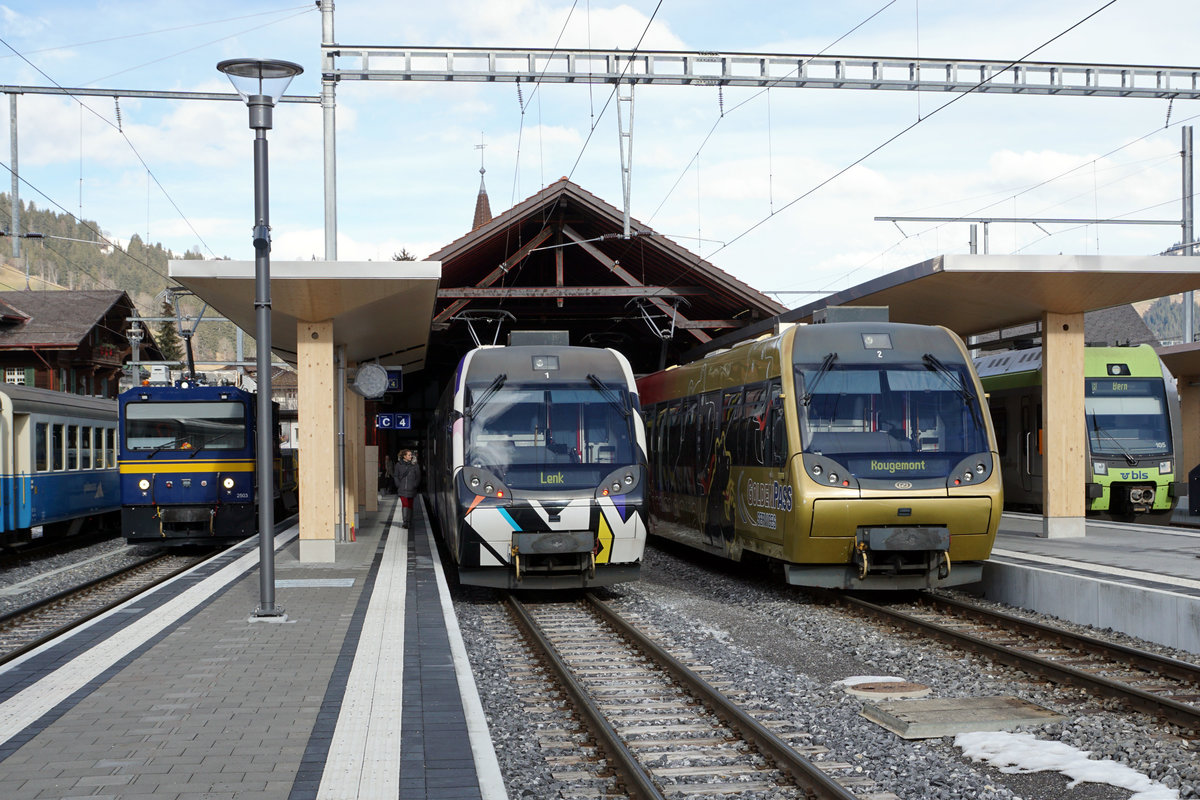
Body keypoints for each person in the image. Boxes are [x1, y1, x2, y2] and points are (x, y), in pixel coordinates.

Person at [393, 449, 421, 527]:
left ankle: (409, 521)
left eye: (411, 455)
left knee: (410, 505)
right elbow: (395, 476)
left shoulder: (415, 465)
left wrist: (415, 485)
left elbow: (418, 476)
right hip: (402, 489)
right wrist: (398, 485)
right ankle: (405, 521)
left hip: (412, 489)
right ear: (404, 456)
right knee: (405, 504)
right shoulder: (398, 465)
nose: (410, 456)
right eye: (409, 455)